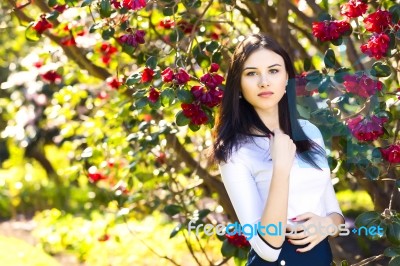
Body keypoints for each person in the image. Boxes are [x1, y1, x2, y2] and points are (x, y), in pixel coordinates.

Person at [211, 33, 345, 265]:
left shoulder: (309, 132)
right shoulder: (234, 152)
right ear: (239, 86)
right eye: (252, 73)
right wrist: (281, 169)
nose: (264, 81)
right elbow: (267, 248)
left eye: (273, 71)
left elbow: (335, 214)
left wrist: (326, 225)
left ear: (286, 80)